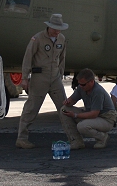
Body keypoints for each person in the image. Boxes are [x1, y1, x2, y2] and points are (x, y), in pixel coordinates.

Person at [16, 14, 81, 149]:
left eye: (59, 29)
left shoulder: (61, 39)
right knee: (31, 108)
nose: (57, 32)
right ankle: (22, 138)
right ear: (49, 27)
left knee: (64, 108)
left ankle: (74, 139)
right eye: (55, 29)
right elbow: (28, 57)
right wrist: (24, 77)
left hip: (55, 77)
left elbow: (62, 58)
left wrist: (60, 74)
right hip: (40, 77)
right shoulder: (38, 38)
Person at [62, 69, 117, 149]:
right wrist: (68, 102)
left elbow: (94, 114)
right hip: (94, 116)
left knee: (82, 126)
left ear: (91, 81)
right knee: (64, 109)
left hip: (106, 119)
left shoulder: (97, 91)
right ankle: (76, 141)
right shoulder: (81, 88)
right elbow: (72, 100)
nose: (81, 86)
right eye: (79, 84)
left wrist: (75, 115)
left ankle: (102, 137)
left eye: (83, 84)